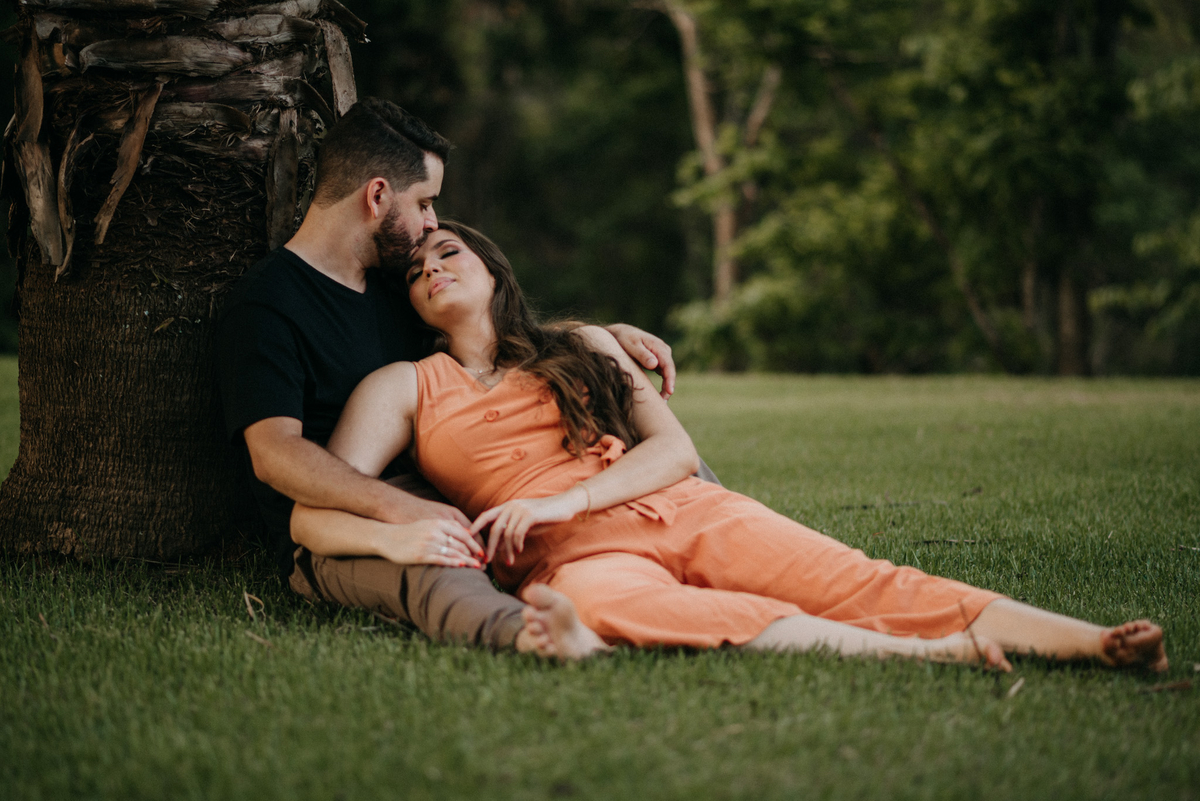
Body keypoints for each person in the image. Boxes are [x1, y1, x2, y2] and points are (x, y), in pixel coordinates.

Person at [291, 219, 1170, 672]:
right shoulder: (403, 388)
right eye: (414, 272)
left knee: (867, 579)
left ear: (492, 270)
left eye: (447, 253)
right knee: (620, 613)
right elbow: (313, 506)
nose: (430, 269)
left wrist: (564, 495)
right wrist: (394, 534)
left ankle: (1091, 641)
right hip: (570, 560)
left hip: (677, 506)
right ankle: (926, 655)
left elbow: (672, 450)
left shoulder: (585, 343)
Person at [216, 98, 684, 654]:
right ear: (377, 196)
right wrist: (402, 511)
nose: (432, 223)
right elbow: (275, 455)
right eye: (425, 203)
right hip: (338, 520)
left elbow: (486, 334)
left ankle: (711, 554)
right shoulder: (266, 304)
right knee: (442, 566)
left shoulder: (399, 284)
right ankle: (541, 638)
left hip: (447, 481)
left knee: (655, 452)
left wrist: (601, 338)